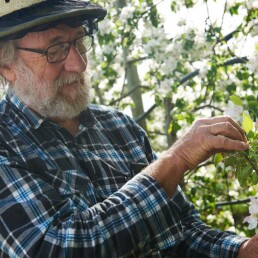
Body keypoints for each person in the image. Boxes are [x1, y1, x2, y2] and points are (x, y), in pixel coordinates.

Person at [0, 1, 257, 257]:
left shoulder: (119, 126)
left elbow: (182, 229)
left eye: (79, 42)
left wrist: (242, 251)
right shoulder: (5, 142)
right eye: (55, 50)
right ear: (6, 65)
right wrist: (175, 160)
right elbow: (59, 249)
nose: (78, 64)